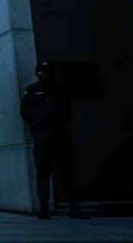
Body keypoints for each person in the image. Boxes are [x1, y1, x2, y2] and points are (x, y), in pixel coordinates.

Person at [20, 62, 89, 220]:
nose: (44, 74)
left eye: (46, 71)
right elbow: (24, 112)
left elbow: (67, 112)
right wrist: (36, 126)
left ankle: (74, 208)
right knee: (43, 172)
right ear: (37, 73)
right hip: (43, 135)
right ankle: (44, 208)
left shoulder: (59, 91)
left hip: (59, 135)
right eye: (42, 72)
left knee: (67, 172)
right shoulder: (32, 90)